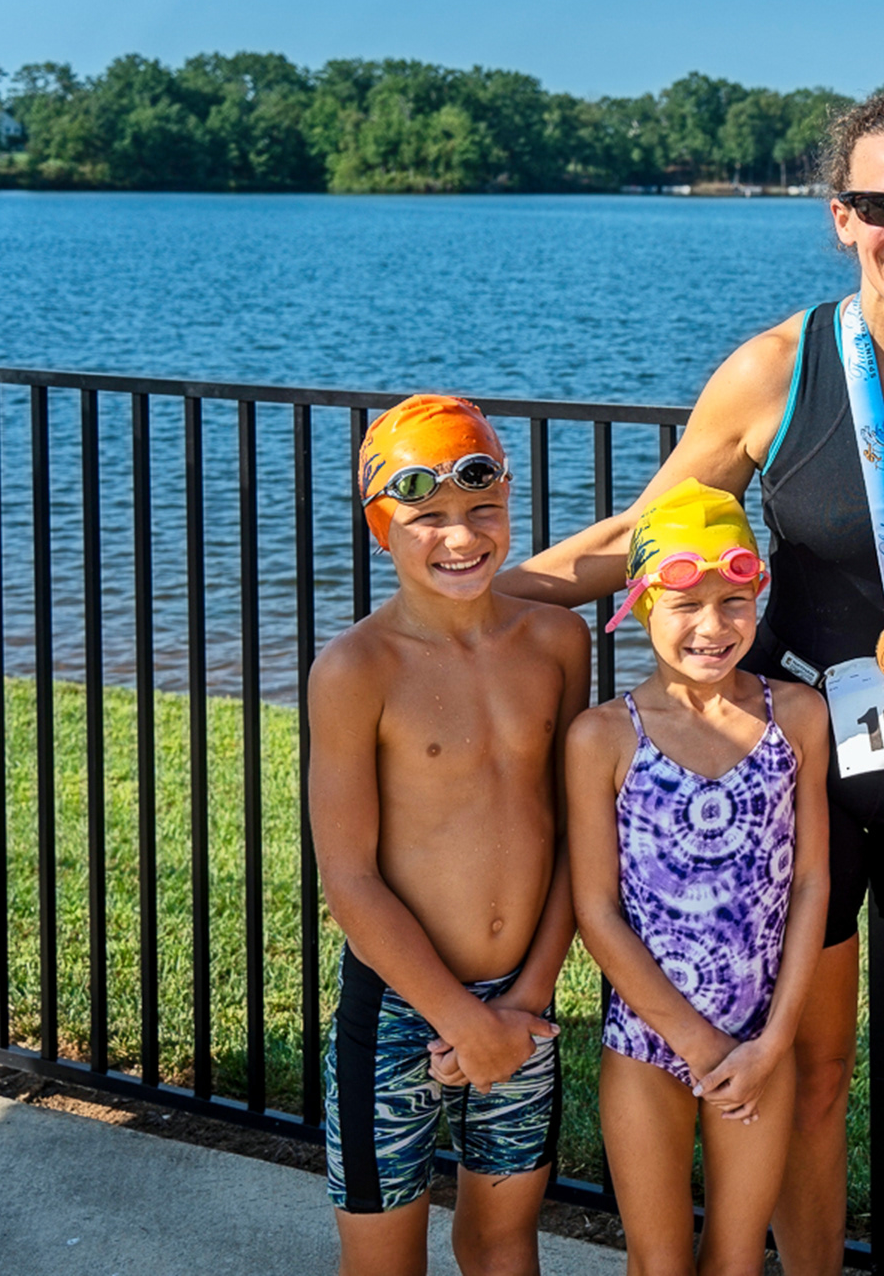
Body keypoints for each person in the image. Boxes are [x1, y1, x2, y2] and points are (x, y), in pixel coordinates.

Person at [502, 90, 884, 1275]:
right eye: (883, 206)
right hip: (798, 760)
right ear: (840, 217)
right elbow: (646, 535)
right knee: (810, 1075)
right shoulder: (774, 368)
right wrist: (484, 597)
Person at [310, 394, 591, 1276]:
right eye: (426, 517)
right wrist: (460, 1019)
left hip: (522, 1003)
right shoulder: (356, 669)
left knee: (504, 1242)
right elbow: (350, 879)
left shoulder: (557, 641)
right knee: (384, 1261)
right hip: (399, 1009)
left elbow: (575, 835)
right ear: (381, 530)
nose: (461, 536)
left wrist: (524, 1000)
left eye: (483, 508)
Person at [565, 479, 830, 1275]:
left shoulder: (797, 717)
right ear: (642, 603)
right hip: (648, 1043)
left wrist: (773, 1040)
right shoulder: (603, 737)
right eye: (685, 605)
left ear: (758, 596)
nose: (712, 627)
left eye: (733, 602)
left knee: (737, 1259)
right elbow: (596, 909)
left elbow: (812, 882)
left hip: (759, 1043)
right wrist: (697, 1042)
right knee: (659, 1263)